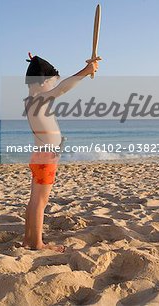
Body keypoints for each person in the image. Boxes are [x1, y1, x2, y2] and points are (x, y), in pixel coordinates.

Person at [22, 53, 99, 251]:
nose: (52, 85)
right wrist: (86, 71)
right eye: (50, 81)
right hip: (46, 157)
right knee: (40, 201)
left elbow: (57, 88)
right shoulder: (39, 99)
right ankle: (38, 244)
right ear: (42, 81)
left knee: (34, 200)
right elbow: (62, 89)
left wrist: (36, 61)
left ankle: (28, 240)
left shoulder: (31, 100)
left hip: (40, 154)